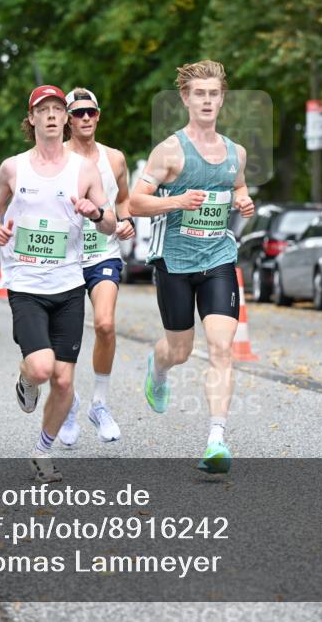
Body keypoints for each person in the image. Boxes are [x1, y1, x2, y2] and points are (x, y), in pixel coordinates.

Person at [0, 84, 117, 482]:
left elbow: (110, 224)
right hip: (26, 283)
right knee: (42, 369)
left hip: (69, 285)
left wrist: (95, 213)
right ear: (33, 119)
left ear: (65, 118)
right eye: (45, 109)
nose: (54, 115)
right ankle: (26, 378)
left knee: (63, 381)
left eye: (59, 108)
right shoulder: (14, 167)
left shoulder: (85, 170)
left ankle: (42, 452)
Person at [130, 60, 255, 474]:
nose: (206, 100)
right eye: (199, 94)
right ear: (185, 98)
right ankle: (159, 368)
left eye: (213, 94)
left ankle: (216, 439)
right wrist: (177, 202)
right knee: (179, 350)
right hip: (175, 262)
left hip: (219, 257)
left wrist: (244, 201)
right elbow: (136, 203)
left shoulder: (235, 152)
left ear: (222, 99)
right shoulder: (169, 151)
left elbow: (238, 187)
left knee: (222, 348)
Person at [55, 88, 135, 447]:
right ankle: (68, 405)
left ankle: (98, 404)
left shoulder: (114, 158)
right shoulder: (55, 159)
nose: (85, 118)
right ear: (69, 119)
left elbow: (124, 198)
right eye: (78, 113)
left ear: (98, 116)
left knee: (104, 324)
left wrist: (128, 219)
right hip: (66, 258)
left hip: (104, 251)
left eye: (91, 112)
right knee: (64, 339)